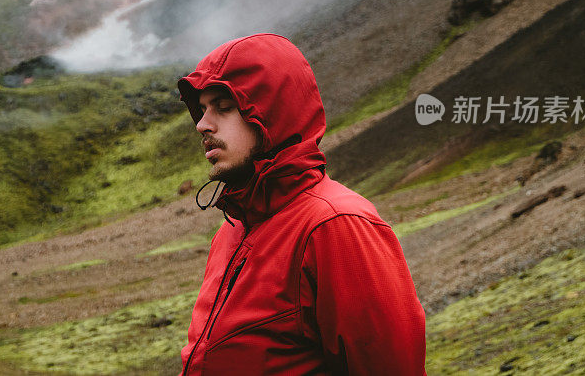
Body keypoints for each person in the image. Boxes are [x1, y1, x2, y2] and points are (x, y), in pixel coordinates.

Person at [176, 33, 426, 375]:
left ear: (271, 112)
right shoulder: (231, 230)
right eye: (202, 110)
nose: (203, 125)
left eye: (223, 106)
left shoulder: (336, 225)